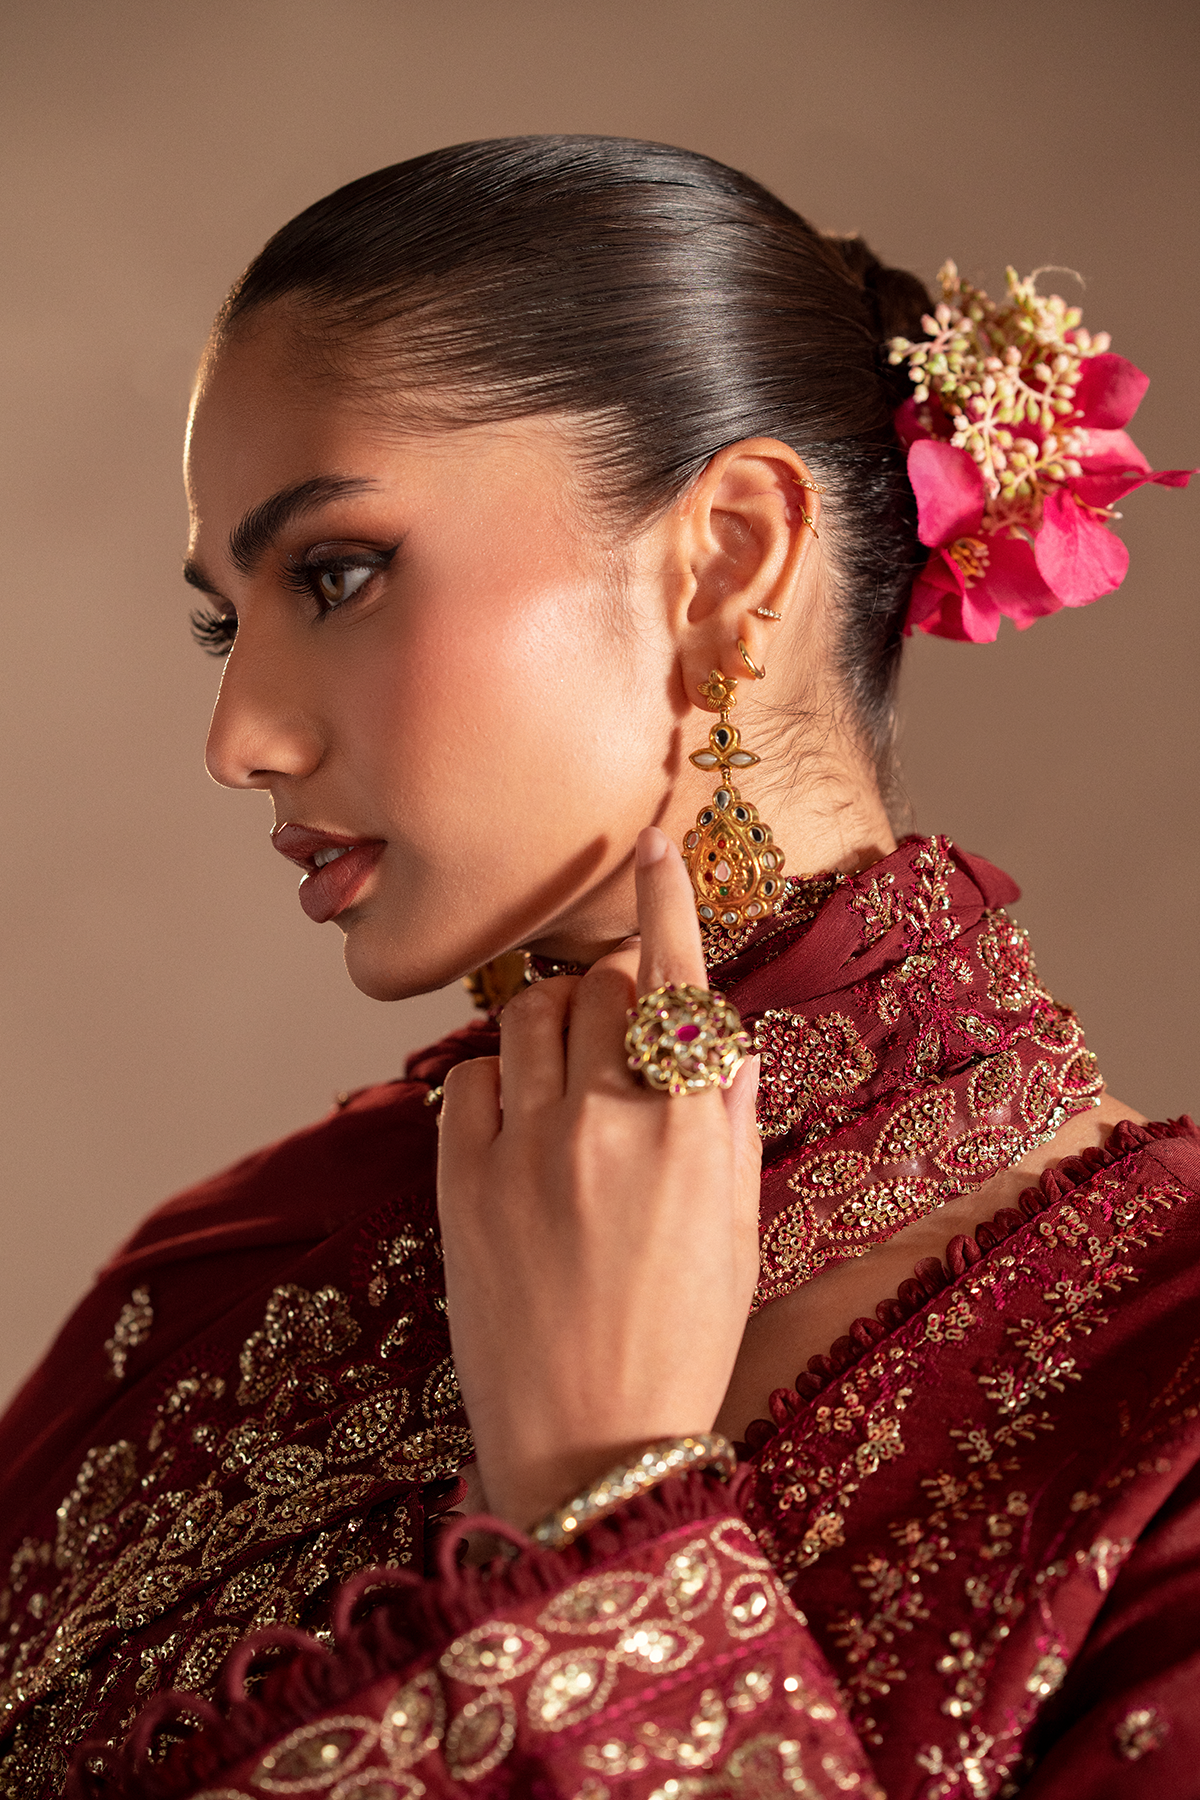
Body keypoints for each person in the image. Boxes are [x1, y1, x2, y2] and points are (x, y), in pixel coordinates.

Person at [0, 137, 1194, 1798]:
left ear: (727, 563)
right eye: (228, 619)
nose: (239, 736)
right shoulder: (210, 1284)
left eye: (337, 575)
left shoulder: (1158, 1384)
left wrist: (603, 1500)